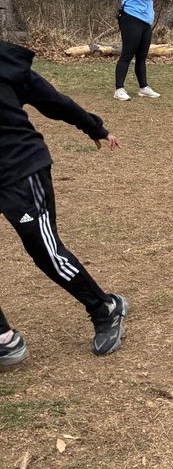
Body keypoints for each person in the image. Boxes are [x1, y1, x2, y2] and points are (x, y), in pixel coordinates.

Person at [0, 41, 127, 368]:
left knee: (44, 249)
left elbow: (53, 101)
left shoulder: (6, 64)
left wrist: (93, 126)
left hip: (19, 170)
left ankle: (105, 308)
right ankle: (4, 338)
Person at [115, 0, 173, 101]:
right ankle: (119, 89)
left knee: (141, 57)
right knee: (127, 55)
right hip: (131, 21)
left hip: (144, 23)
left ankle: (143, 87)